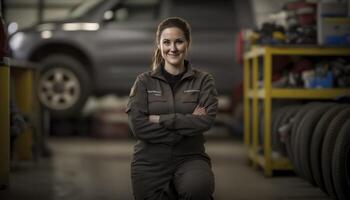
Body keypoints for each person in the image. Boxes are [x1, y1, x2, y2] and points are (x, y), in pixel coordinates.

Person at [126, 17, 218, 200]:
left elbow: (206, 120)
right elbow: (138, 126)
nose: (173, 48)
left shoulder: (203, 80)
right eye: (167, 42)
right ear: (159, 45)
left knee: (197, 189)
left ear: (187, 43)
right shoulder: (144, 81)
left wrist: (160, 119)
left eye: (179, 42)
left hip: (190, 157)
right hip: (150, 160)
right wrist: (186, 127)